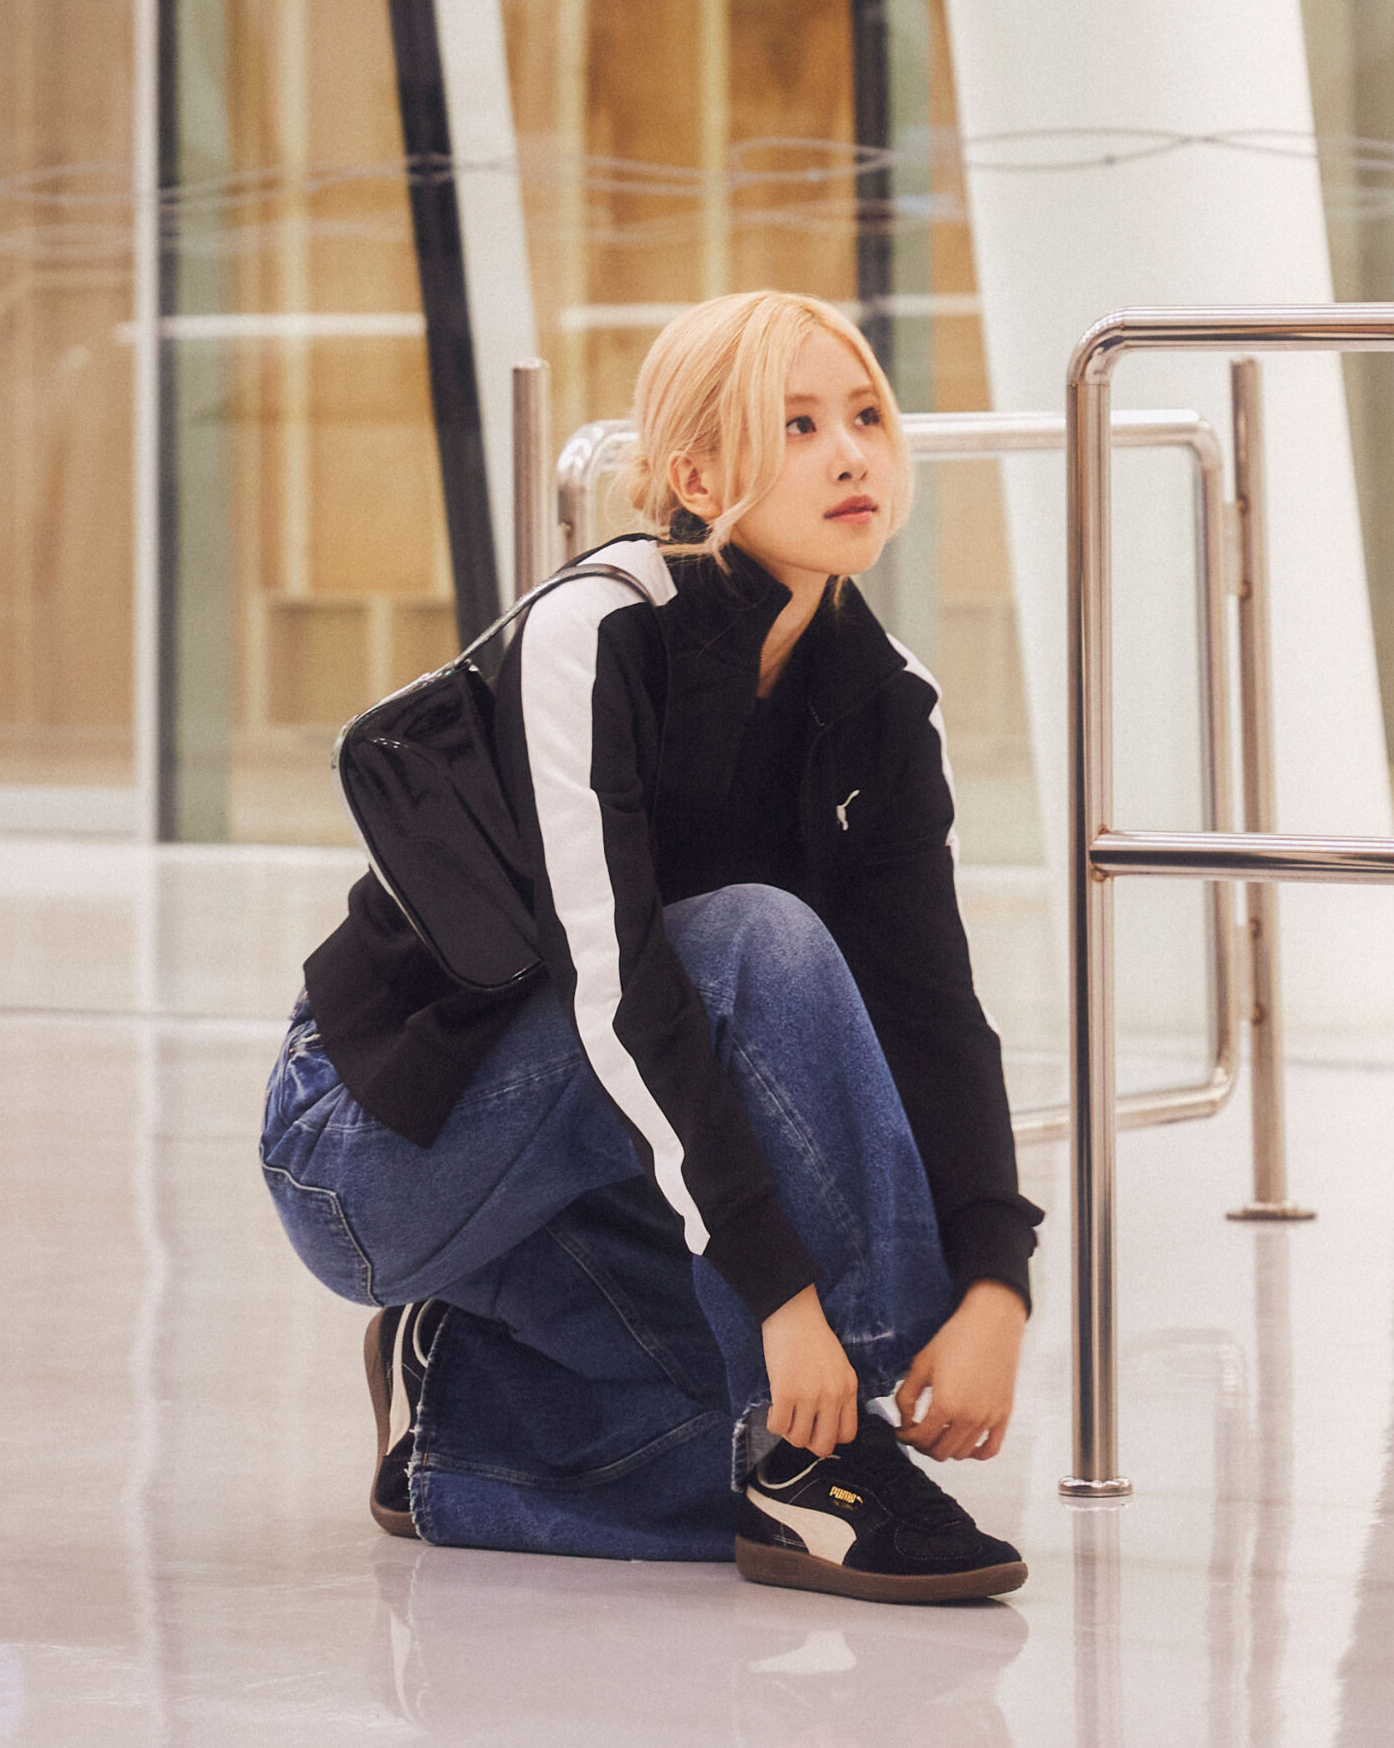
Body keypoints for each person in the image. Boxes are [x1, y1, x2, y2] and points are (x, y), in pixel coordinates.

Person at [261, 290, 1042, 1605]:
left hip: (588, 1160)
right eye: (795, 426)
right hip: (382, 1136)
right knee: (757, 944)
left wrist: (995, 1283)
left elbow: (932, 1015)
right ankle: (821, 1474)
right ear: (694, 475)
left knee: (723, 1430)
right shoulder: (600, 630)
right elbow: (626, 994)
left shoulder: (887, 698)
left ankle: (459, 1408)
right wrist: (793, 1307)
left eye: (864, 416)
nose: (851, 453)